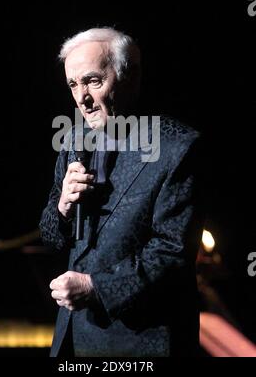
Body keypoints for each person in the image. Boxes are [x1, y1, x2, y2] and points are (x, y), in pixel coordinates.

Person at [39, 27, 206, 357]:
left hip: (143, 342)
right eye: (73, 84)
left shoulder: (178, 147)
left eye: (93, 81)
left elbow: (173, 253)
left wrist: (95, 287)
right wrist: (61, 208)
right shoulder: (73, 141)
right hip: (73, 338)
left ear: (130, 77)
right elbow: (50, 237)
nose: (81, 98)